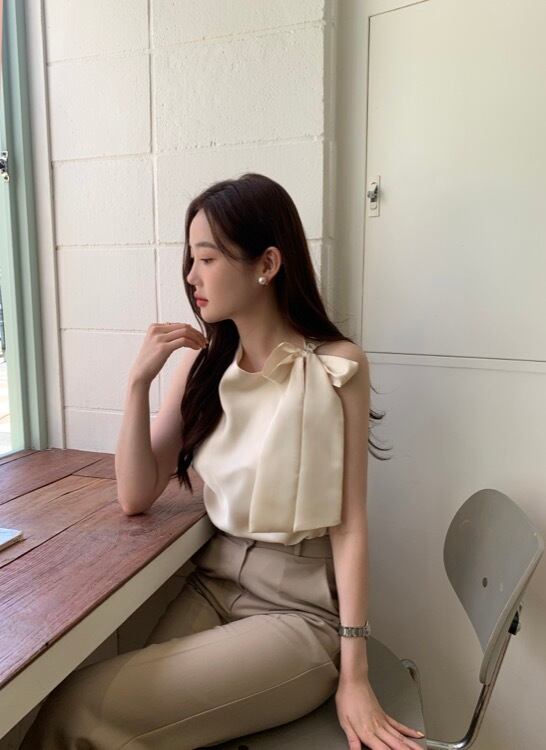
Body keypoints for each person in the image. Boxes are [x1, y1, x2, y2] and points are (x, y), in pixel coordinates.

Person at [20, 173, 425, 749]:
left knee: (78, 708)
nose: (191, 276)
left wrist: (354, 672)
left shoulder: (337, 367)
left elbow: (351, 525)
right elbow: (135, 495)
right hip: (211, 585)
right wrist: (138, 383)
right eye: (190, 259)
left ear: (267, 264)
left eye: (207, 259)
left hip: (298, 614)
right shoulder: (202, 365)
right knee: (121, 719)